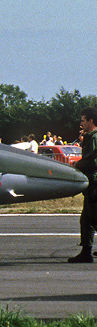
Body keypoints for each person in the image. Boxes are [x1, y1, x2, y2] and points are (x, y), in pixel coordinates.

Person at [69, 107, 97, 263]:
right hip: (91, 183)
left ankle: (87, 252)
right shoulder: (90, 137)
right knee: (87, 219)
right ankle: (86, 252)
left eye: (83, 120)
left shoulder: (95, 138)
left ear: (90, 121)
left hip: (95, 184)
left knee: (93, 218)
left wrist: (77, 166)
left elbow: (93, 161)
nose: (81, 124)